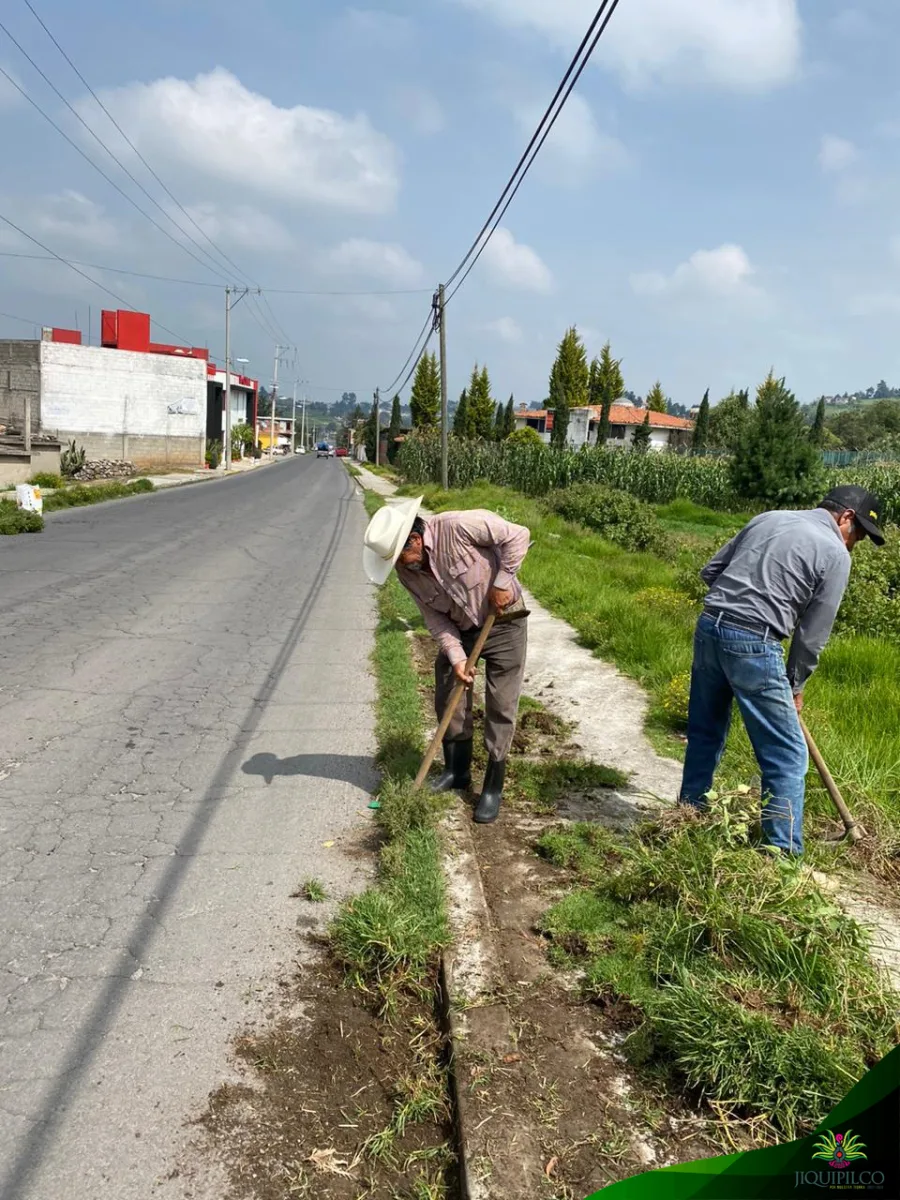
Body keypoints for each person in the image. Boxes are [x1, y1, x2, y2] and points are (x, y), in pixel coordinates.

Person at [679, 485, 885, 855]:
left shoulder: (769, 518)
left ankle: (687, 815)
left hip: (709, 625)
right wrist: (795, 684)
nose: (855, 545)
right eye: (858, 536)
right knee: (787, 754)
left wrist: (742, 601)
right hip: (754, 641)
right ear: (846, 517)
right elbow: (811, 635)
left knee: (705, 731)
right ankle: (783, 856)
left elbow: (711, 571)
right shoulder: (835, 553)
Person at [363, 496, 530, 823]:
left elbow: (518, 535)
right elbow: (435, 619)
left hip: (504, 621)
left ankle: (493, 786)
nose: (399, 566)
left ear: (415, 539)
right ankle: (457, 771)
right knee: (447, 693)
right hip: (462, 630)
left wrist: (501, 582)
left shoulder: (459, 526)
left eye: (399, 557)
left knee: (501, 703)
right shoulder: (408, 572)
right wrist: (456, 658)